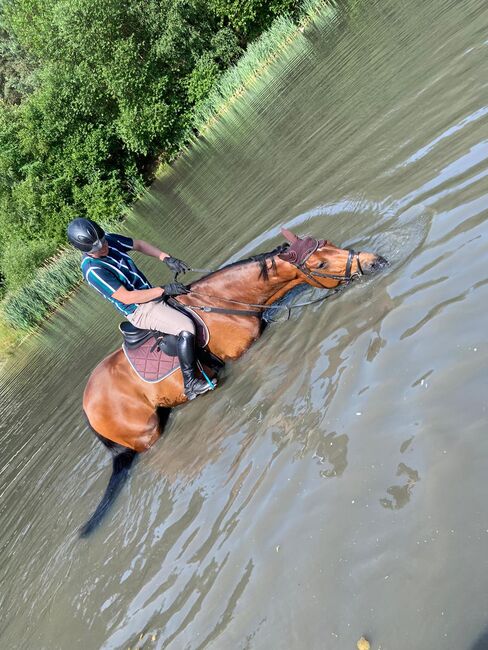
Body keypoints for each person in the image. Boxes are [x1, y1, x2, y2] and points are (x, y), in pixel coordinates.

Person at [67, 217, 216, 400]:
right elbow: (127, 297)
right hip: (140, 310)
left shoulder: (109, 240)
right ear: (85, 251)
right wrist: (164, 290)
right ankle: (191, 383)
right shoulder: (93, 270)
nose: (103, 247)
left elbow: (138, 245)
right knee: (186, 326)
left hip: (152, 294)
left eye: (103, 242)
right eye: (97, 249)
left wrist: (165, 257)